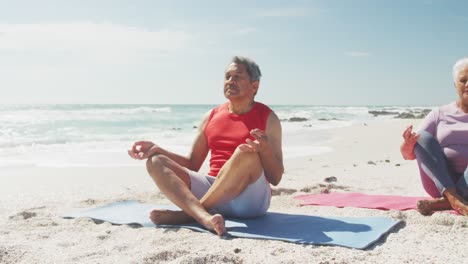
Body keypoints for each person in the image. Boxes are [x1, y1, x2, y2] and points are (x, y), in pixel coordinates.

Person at [128, 56, 284, 235]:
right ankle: (204, 216)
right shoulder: (211, 116)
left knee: (245, 153)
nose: (230, 81)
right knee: (155, 162)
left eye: (237, 77)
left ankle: (190, 215)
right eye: (228, 76)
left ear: (254, 86)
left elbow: (276, 177)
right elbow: (193, 163)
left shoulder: (268, 118)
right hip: (214, 191)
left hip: (249, 200)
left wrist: (264, 151)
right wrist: (158, 149)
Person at [400, 57, 468, 215]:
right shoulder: (439, 113)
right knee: (422, 137)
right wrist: (408, 143)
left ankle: (449, 202)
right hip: (441, 184)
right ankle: (453, 198)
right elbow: (408, 155)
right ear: (455, 85)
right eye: (463, 80)